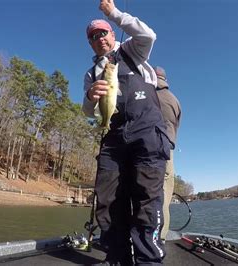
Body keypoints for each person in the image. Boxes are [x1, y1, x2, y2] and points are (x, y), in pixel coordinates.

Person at [82, 0, 172, 265]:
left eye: (103, 32)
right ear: (90, 43)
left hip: (146, 130)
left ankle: (147, 261)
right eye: (93, 36)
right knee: (108, 198)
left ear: (112, 34)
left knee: (146, 198)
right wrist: (90, 96)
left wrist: (114, 14)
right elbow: (88, 111)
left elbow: (148, 34)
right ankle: (117, 257)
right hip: (113, 135)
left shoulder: (134, 49)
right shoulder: (91, 73)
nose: (99, 38)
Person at [153, 66, 181, 242]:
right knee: (164, 195)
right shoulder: (175, 101)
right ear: (165, 79)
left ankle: (144, 236)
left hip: (143, 150)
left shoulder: (144, 96)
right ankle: (161, 237)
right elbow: (176, 126)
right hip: (167, 151)